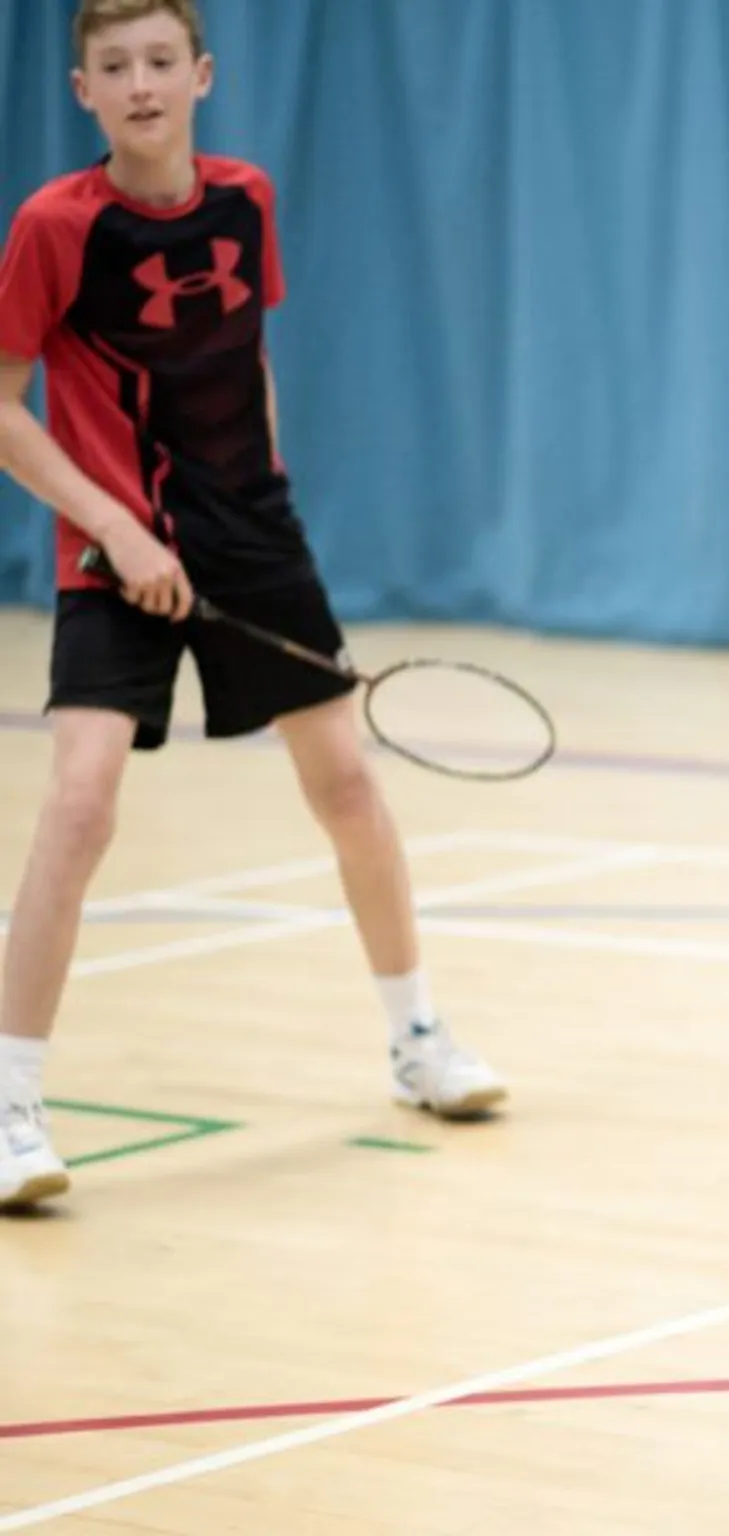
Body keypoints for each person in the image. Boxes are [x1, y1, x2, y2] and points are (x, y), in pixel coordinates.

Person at [0, 0, 506, 1212]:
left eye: (160, 62)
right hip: (110, 554)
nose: (139, 85)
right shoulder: (53, 227)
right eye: (112, 67)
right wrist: (116, 527)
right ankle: (14, 1103)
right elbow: (4, 406)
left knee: (346, 787)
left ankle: (418, 1039)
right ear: (82, 92)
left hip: (251, 543)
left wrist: (262, 513)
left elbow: (241, 358)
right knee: (80, 805)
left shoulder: (246, 199)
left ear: (201, 75)